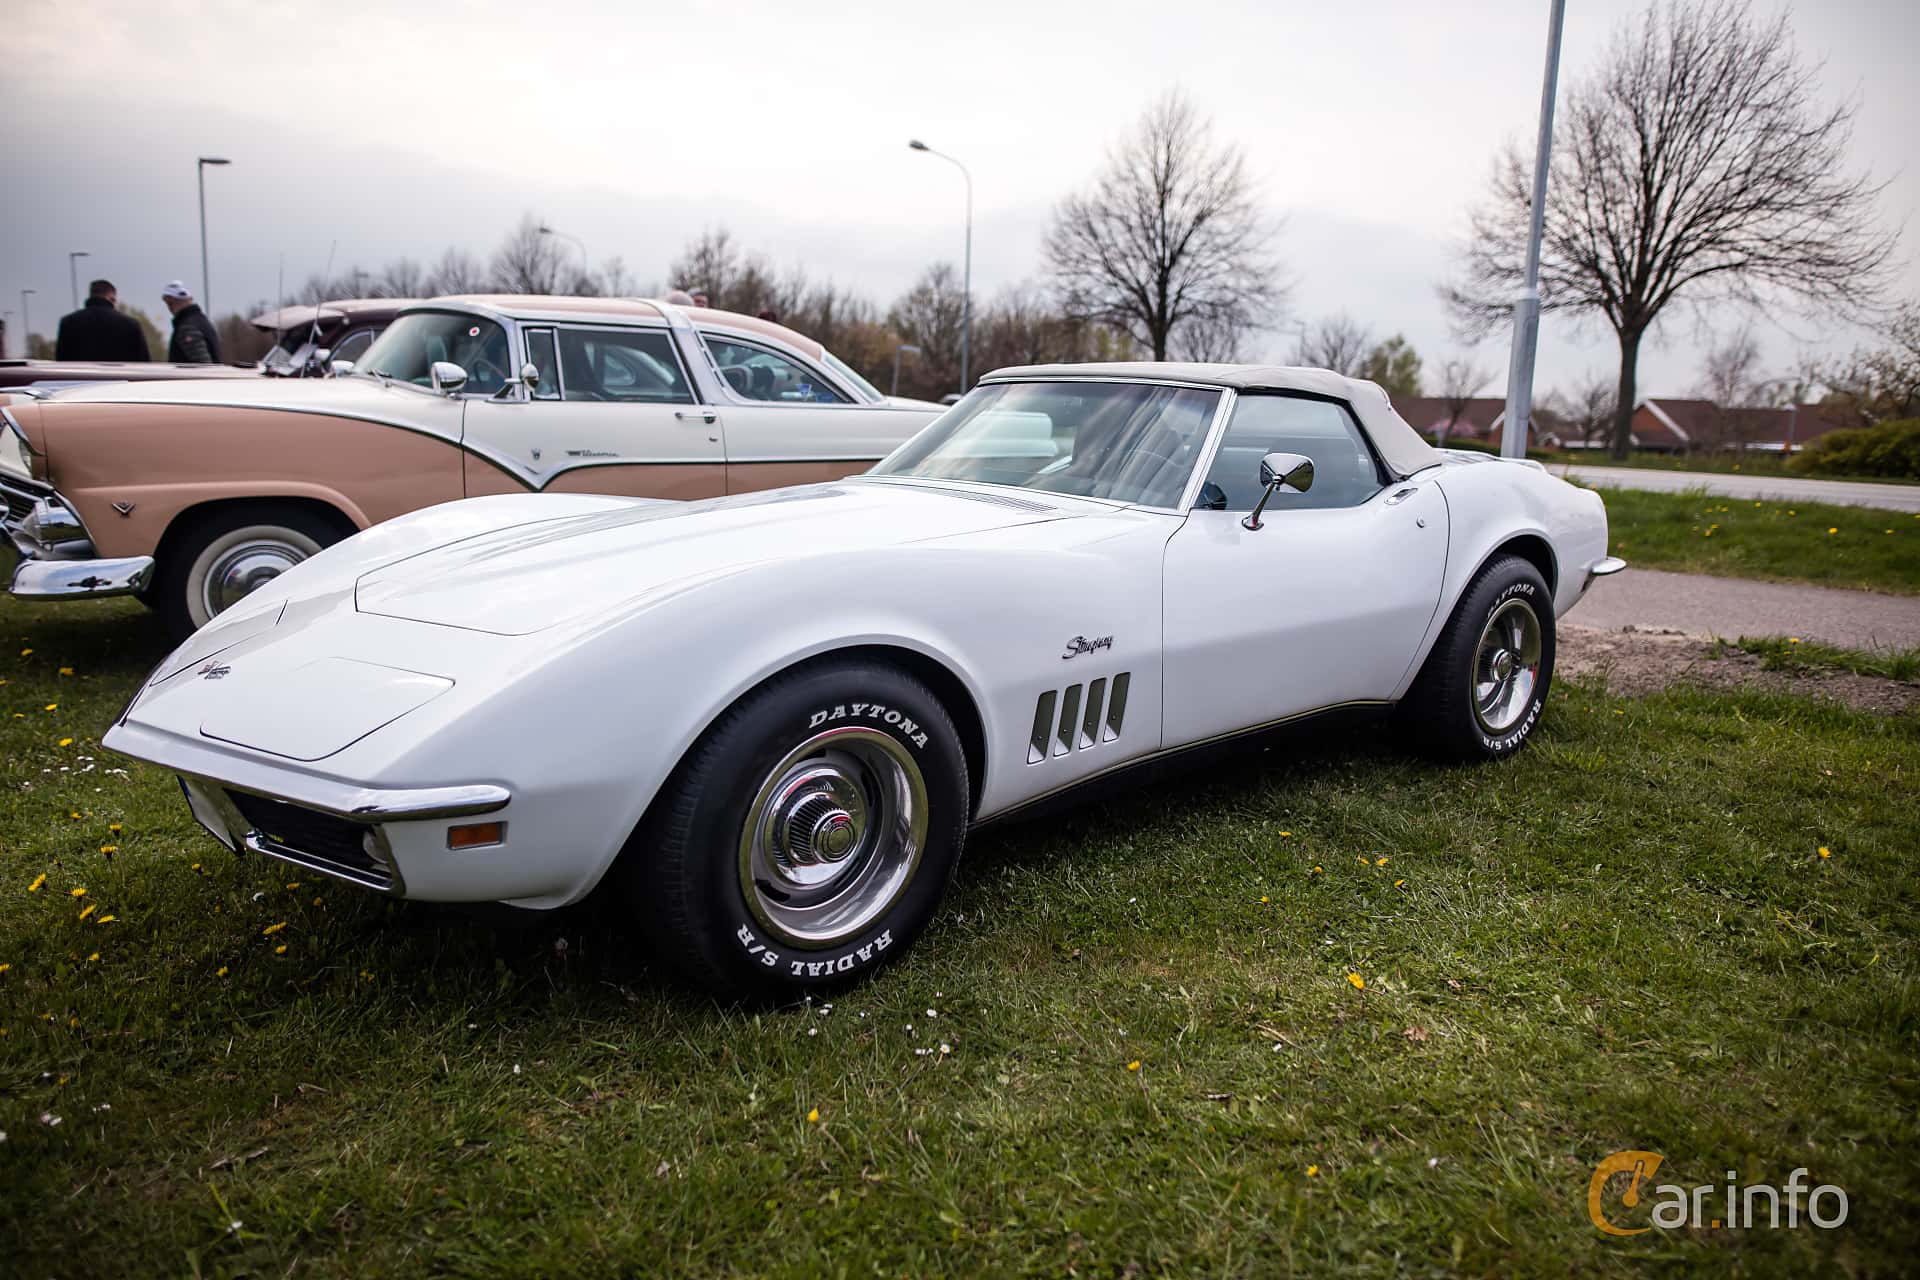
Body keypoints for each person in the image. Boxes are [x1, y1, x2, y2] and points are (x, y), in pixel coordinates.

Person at [55, 279, 149, 362]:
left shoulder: (68, 323)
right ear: (112, 299)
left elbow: (61, 361)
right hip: (120, 377)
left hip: (80, 377)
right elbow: (143, 364)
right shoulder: (131, 325)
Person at [161, 281, 221, 364]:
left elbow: (204, 365)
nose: (169, 308)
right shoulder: (201, 320)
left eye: (169, 303)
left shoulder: (187, 328)